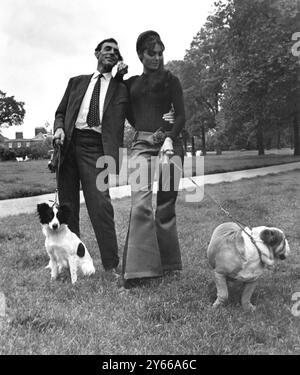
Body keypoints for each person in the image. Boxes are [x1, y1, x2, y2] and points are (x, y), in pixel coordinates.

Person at [53, 38, 129, 275]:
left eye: (116, 52)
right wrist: (59, 128)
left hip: (96, 149)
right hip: (68, 145)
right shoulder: (76, 82)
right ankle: (72, 262)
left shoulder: (120, 89)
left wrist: (120, 78)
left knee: (100, 206)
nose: (112, 53)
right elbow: (60, 112)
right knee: (67, 207)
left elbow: (132, 109)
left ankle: (111, 265)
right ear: (96, 53)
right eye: (107, 49)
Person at [116, 30, 185, 286]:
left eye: (160, 53)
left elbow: (181, 116)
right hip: (142, 145)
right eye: (151, 53)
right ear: (140, 55)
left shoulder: (171, 80)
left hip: (170, 143)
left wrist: (168, 136)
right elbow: (127, 113)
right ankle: (138, 271)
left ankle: (168, 265)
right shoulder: (131, 83)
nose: (157, 57)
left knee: (166, 205)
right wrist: (119, 76)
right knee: (140, 205)